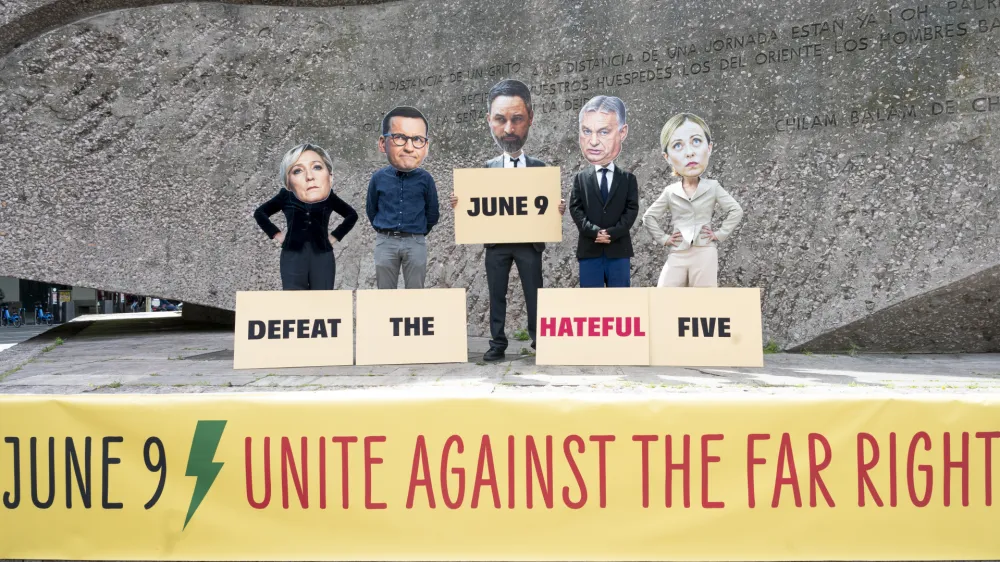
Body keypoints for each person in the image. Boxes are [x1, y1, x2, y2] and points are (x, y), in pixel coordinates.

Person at [450, 79, 565, 362]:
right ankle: (497, 343)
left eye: (517, 119)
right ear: (489, 121)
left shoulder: (539, 168)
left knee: (534, 293)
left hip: (529, 244)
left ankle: (539, 339)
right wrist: (459, 203)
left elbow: (546, 204)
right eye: (501, 120)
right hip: (497, 244)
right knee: (496, 294)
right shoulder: (487, 168)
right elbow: (477, 204)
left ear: (530, 120)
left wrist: (556, 209)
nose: (509, 129)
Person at [642, 113, 743, 287]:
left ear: (709, 147)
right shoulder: (670, 191)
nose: (689, 153)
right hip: (678, 253)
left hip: (705, 251)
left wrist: (719, 234)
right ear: (667, 157)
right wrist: (664, 238)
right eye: (677, 145)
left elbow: (736, 210)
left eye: (696, 141)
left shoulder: (713, 186)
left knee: (703, 303)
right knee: (663, 296)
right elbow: (648, 217)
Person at [254, 143, 358, 290]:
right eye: (297, 171)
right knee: (295, 305)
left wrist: (334, 237)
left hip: (322, 255)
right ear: (288, 181)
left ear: (330, 175)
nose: (310, 176)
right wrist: (277, 235)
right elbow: (260, 213)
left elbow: (351, 215)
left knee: (323, 304)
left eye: (317, 167)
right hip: (293, 255)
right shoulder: (285, 196)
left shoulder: (330, 197)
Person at [568, 96, 639, 287]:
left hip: (618, 250)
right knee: (591, 307)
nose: (593, 142)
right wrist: (594, 232)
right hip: (590, 250)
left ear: (622, 132)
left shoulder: (627, 179)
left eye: (604, 132)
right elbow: (575, 209)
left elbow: (631, 210)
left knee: (620, 306)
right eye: (586, 131)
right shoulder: (581, 178)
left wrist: (613, 233)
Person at [366, 106, 440, 289]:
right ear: (383, 143)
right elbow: (372, 209)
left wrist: (417, 231)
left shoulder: (426, 179)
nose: (408, 147)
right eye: (399, 137)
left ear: (426, 146)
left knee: (415, 294)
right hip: (386, 241)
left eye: (417, 139)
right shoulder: (378, 178)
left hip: (415, 241)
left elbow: (432, 213)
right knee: (385, 293)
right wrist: (384, 230)